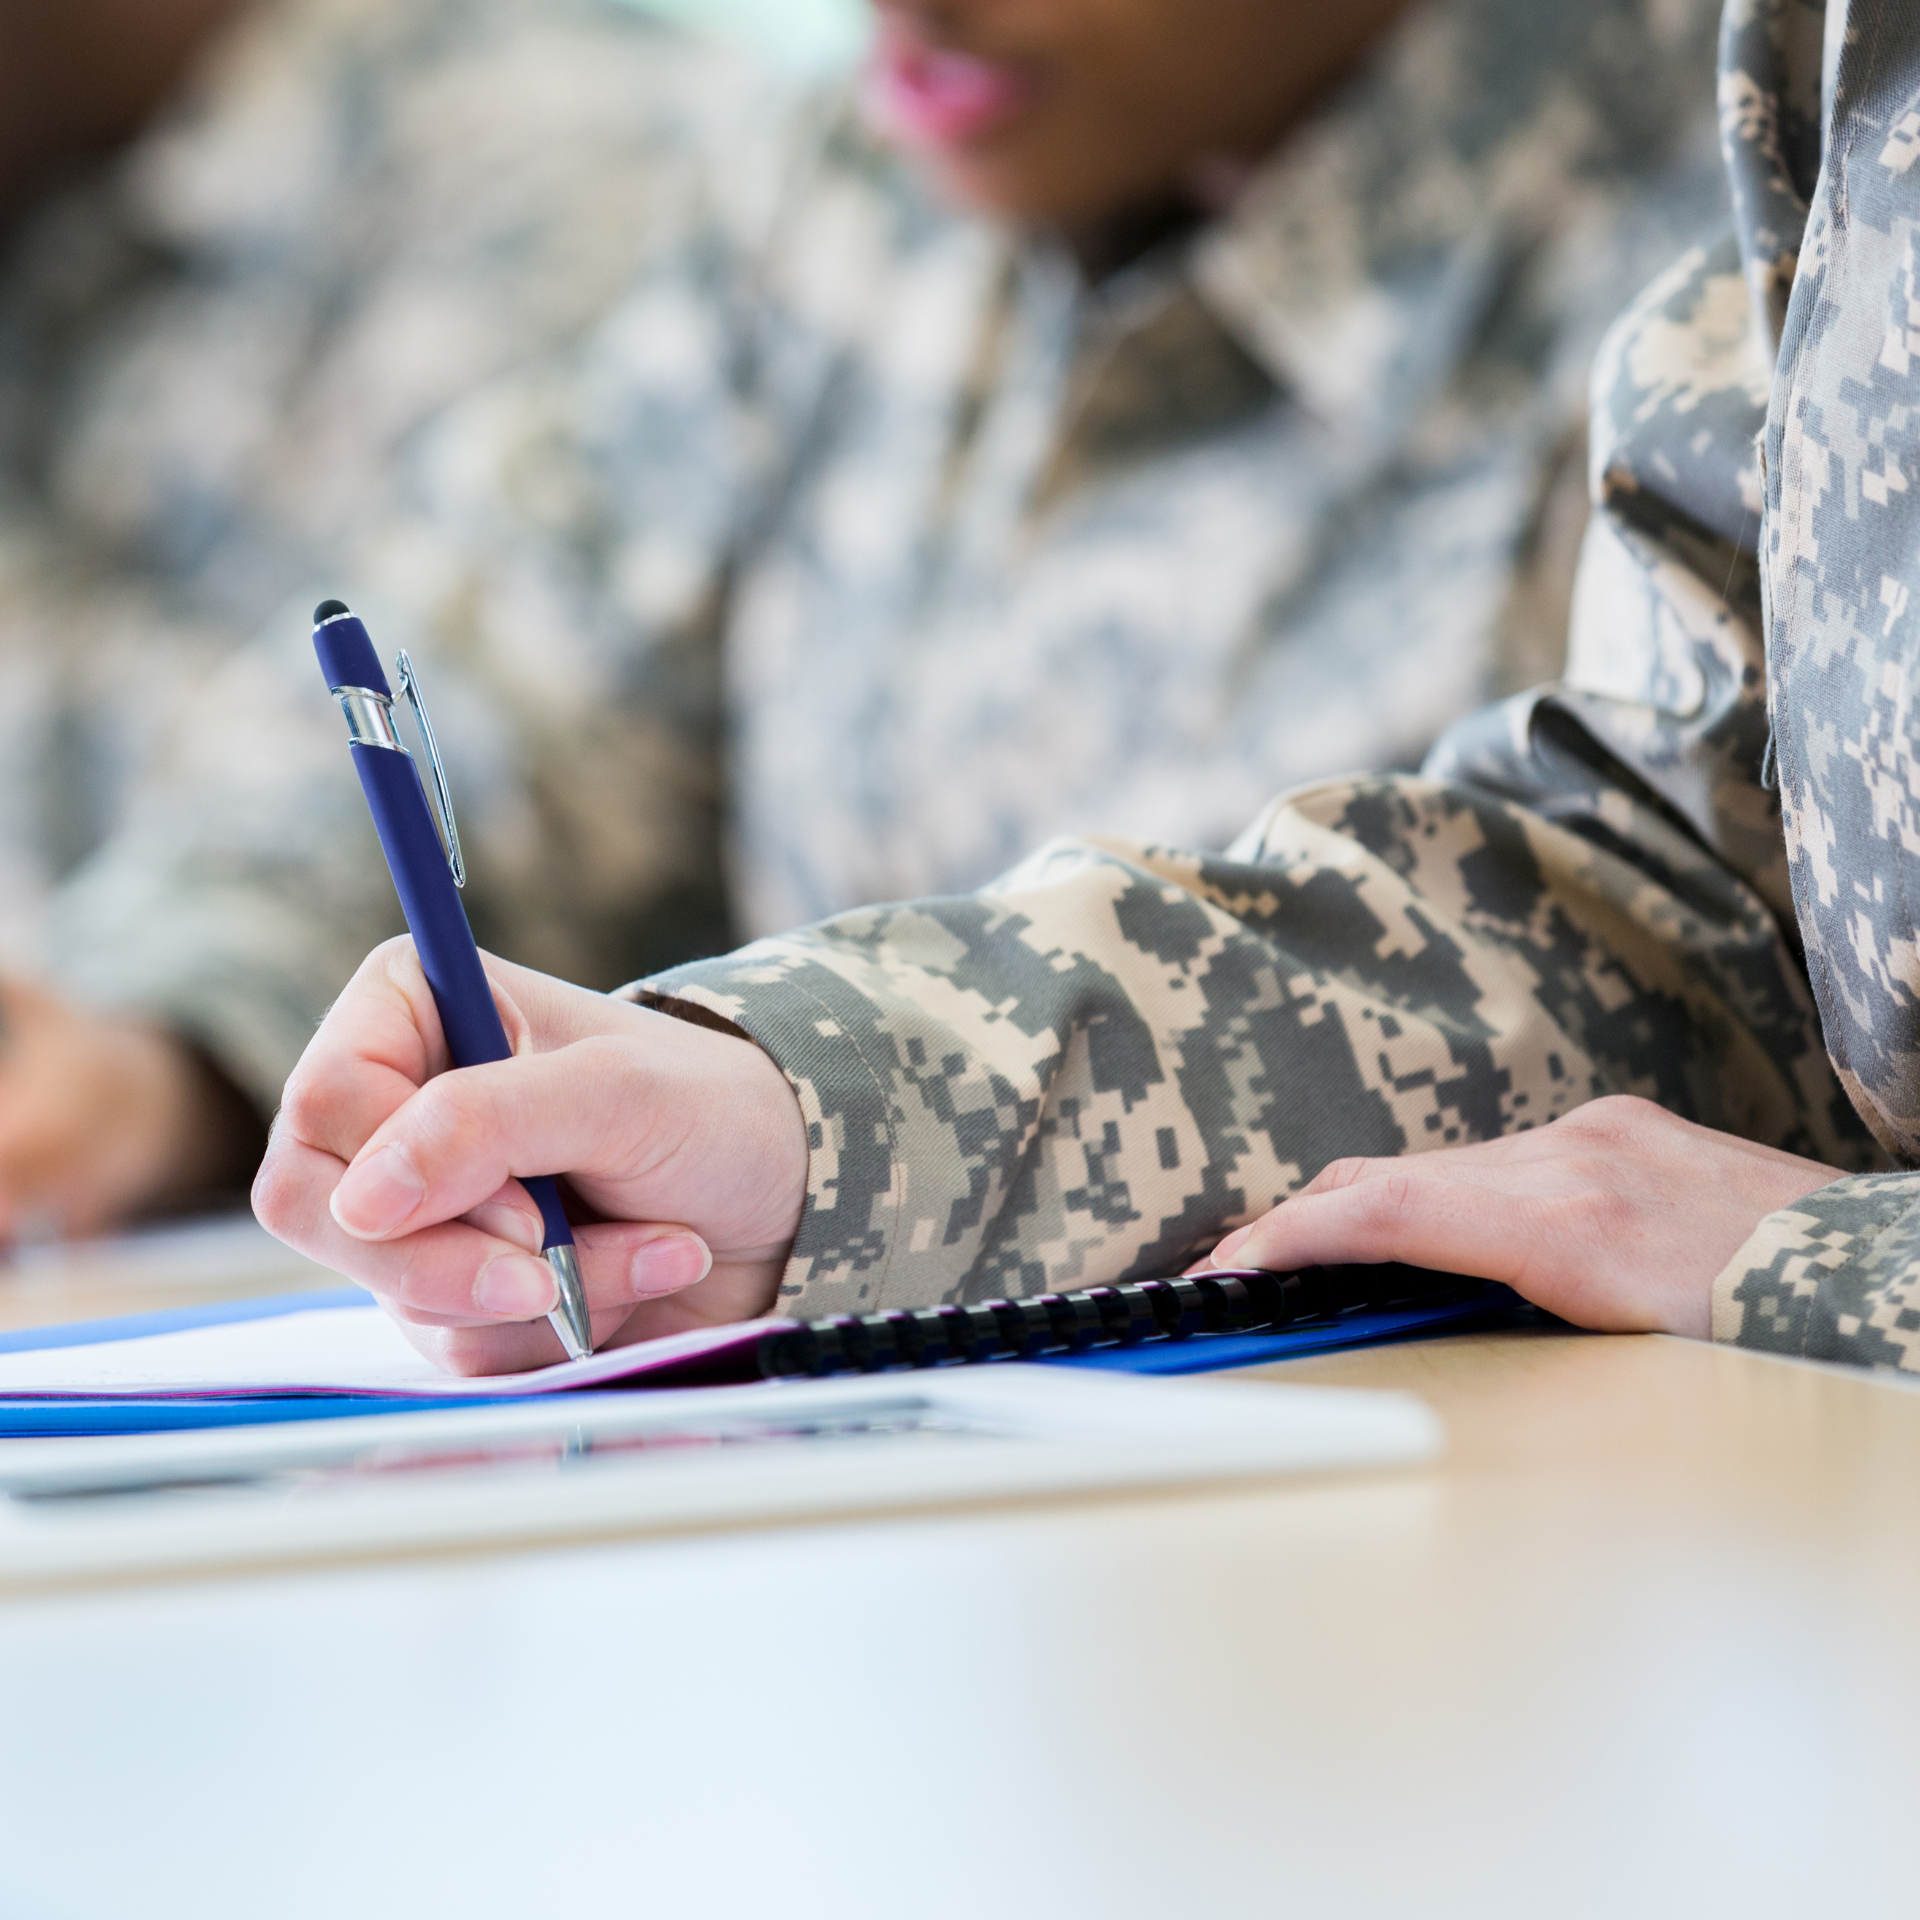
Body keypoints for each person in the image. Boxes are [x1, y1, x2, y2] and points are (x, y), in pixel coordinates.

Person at [254, 0, 1920, 1380]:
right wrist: (814, 1114)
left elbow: (1720, 1115)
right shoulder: (855, 188)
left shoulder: (1640, 208)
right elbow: (1697, 903)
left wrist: (1826, 1264)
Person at [2, 0, 1727, 1238]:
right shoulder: (856, 183)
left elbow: (1658, 988)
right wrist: (158, 1044)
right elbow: (491, 695)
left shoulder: (1733, 218)